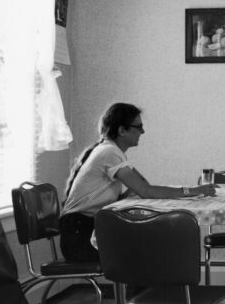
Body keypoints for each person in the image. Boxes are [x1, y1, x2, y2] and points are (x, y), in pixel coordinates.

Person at [59, 102, 215, 263]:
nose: (143, 131)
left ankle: (144, 287)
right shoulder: (109, 152)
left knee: (148, 243)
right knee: (149, 246)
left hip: (82, 228)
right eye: (138, 127)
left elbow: (143, 184)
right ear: (121, 130)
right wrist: (193, 191)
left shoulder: (111, 151)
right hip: (79, 237)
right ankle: (149, 286)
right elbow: (146, 191)